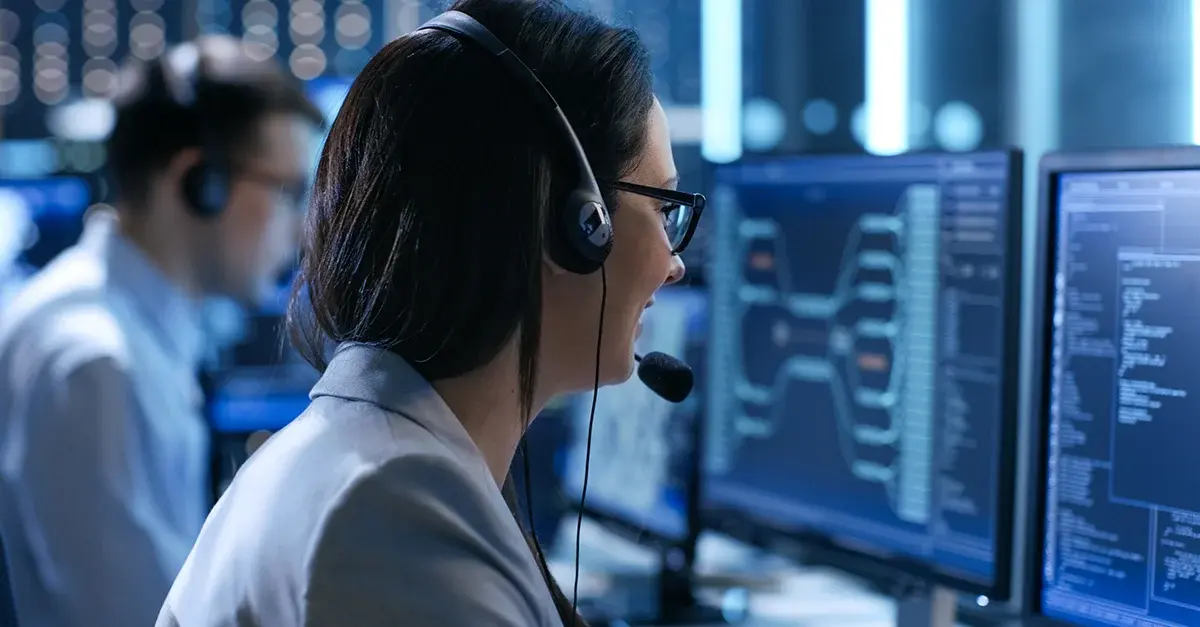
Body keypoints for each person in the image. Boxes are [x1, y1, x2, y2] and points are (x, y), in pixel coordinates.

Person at [157, 0, 705, 625]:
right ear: (576, 223)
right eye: (664, 209)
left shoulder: (368, 468)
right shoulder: (396, 524)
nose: (674, 263)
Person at [0, 36, 322, 627]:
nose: (301, 227)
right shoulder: (97, 367)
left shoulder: (126, 331)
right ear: (201, 184)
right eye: (287, 191)